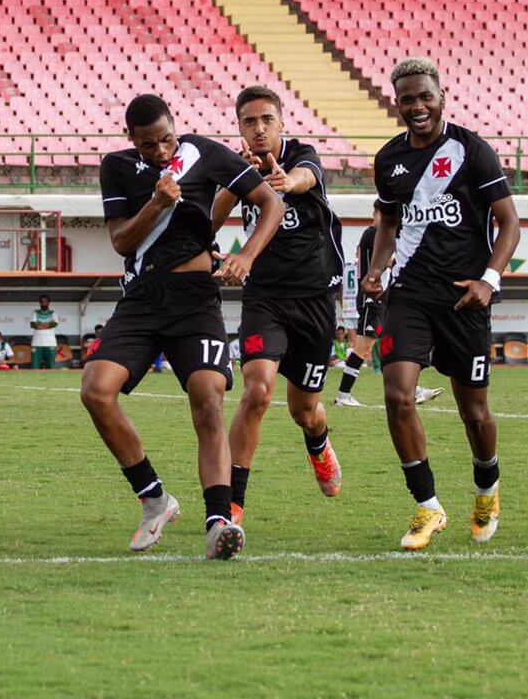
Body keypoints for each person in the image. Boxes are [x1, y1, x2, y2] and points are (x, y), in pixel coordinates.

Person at [80, 93, 283, 560]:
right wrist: (155, 203)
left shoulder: (206, 153)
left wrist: (246, 256)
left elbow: (270, 202)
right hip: (141, 299)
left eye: (167, 138)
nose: (162, 151)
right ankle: (155, 499)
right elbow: (120, 242)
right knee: (95, 389)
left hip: (195, 300)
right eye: (149, 145)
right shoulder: (116, 167)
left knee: (208, 396)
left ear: (177, 126)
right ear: (131, 140)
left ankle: (218, 523)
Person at [363, 58, 521, 551]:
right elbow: (388, 222)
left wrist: (488, 281)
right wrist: (377, 265)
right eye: (407, 99)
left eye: (424, 96)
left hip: (464, 299)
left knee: (474, 412)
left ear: (441, 95)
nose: (417, 106)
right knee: (397, 395)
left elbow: (509, 223)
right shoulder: (388, 160)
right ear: (397, 103)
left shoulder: (472, 150)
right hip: (409, 294)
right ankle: (427, 506)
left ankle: (486, 492)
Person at [210, 85, 346, 527]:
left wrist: (287, 181)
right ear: (240, 128)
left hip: (314, 299)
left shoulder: (304, 155)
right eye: (250, 121)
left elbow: (307, 176)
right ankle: (232, 505)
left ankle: (319, 444)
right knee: (256, 391)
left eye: (267, 119)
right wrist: (238, 183)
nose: (260, 128)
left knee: (303, 410)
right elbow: (212, 217)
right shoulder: (236, 166)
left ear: (282, 122)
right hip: (264, 297)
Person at [336, 207, 445, 409]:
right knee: (363, 348)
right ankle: (343, 395)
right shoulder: (372, 233)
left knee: (395, 345)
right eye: (384, 215)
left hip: (380, 298)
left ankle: (412, 388)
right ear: (375, 214)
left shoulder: (376, 235)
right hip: (372, 298)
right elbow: (386, 262)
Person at [30, 294, 59, 370]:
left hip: (50, 343)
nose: (44, 303)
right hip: (37, 343)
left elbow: (54, 324)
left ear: (49, 303)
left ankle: (50, 381)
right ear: (39, 303)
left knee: (51, 366)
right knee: (35, 366)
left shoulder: (53, 313)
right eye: (42, 301)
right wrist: (47, 325)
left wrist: (40, 325)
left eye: (45, 301)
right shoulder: (35, 312)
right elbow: (33, 324)